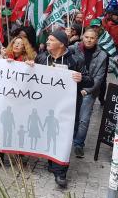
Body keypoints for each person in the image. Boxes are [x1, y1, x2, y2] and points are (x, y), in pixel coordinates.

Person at [34, 30, 93, 188]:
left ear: (61, 43)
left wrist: (81, 78)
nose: (47, 42)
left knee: (64, 136)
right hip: (46, 106)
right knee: (50, 134)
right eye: (47, 40)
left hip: (68, 107)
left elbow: (90, 80)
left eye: (51, 40)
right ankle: (52, 162)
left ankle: (61, 172)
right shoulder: (41, 58)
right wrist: (29, 66)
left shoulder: (75, 59)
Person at [69, 27, 107, 157]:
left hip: (88, 91)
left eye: (92, 38)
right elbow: (59, 54)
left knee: (83, 120)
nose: (89, 40)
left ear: (96, 40)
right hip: (71, 88)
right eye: (87, 37)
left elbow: (99, 78)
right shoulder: (74, 48)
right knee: (71, 116)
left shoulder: (102, 55)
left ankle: (79, 143)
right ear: (82, 37)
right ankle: (69, 139)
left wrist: (87, 90)